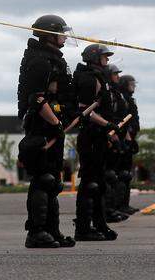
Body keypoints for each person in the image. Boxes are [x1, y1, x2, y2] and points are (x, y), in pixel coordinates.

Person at [17, 15, 77, 248]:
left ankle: (52, 231)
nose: (64, 36)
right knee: (43, 179)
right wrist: (55, 124)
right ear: (49, 35)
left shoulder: (52, 59)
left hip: (53, 125)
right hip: (41, 125)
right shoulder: (40, 61)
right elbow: (36, 99)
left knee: (54, 182)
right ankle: (36, 232)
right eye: (61, 32)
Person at [72, 44, 120, 241]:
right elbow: (85, 110)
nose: (107, 60)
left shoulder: (99, 77)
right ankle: (83, 228)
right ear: (94, 57)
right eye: (104, 57)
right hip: (90, 136)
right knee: (90, 184)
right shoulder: (88, 79)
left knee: (99, 184)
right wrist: (107, 124)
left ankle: (100, 224)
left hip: (99, 136)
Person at [103, 64, 130, 223]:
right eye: (115, 74)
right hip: (107, 136)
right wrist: (110, 134)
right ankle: (107, 210)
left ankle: (114, 208)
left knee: (120, 175)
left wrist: (125, 135)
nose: (117, 77)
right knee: (109, 176)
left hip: (117, 135)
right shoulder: (107, 93)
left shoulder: (115, 94)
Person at [117, 74, 140, 215]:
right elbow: (123, 120)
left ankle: (125, 204)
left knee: (127, 174)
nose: (133, 85)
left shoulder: (130, 99)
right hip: (125, 138)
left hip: (131, 137)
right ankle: (119, 205)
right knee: (122, 174)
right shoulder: (122, 98)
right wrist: (127, 137)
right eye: (131, 83)